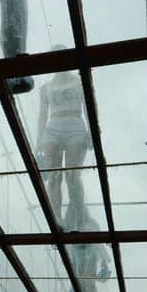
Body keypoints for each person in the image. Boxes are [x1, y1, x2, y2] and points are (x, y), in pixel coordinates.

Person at [35, 60, 92, 227]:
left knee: (72, 176)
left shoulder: (79, 82)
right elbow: (42, 116)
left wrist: (92, 131)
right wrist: (38, 141)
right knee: (53, 176)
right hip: (53, 127)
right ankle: (57, 218)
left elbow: (88, 107)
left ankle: (80, 218)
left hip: (75, 124)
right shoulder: (45, 88)